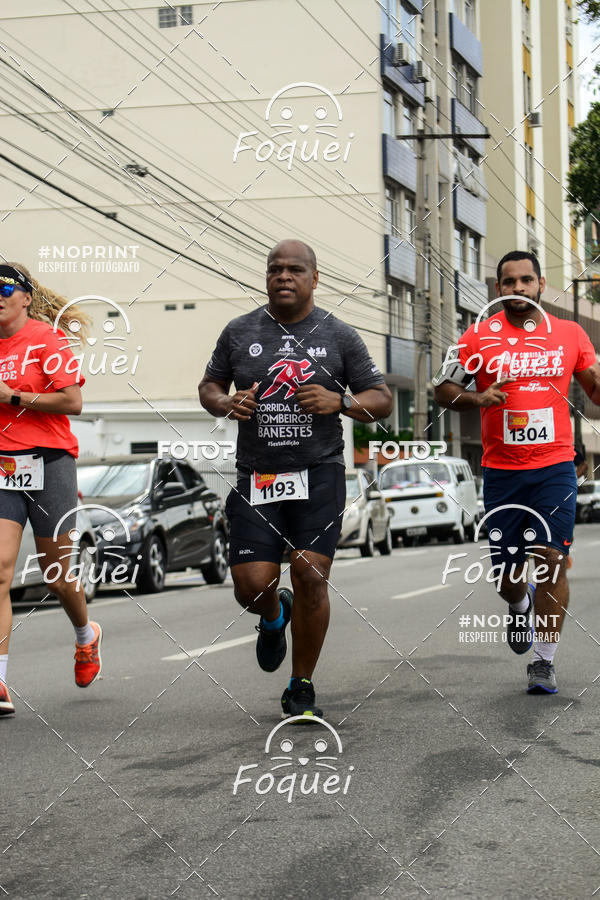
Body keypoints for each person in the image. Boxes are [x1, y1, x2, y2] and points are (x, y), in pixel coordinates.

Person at [199, 239, 392, 718]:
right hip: (257, 474)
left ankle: (301, 686)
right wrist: (225, 403)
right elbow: (209, 386)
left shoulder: (339, 335)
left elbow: (382, 397)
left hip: (319, 471)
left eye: (294, 270)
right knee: (251, 585)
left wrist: (342, 403)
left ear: (314, 278)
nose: (283, 277)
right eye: (275, 270)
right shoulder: (239, 332)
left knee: (311, 574)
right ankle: (271, 614)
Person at [434, 250, 600, 694]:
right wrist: (477, 398)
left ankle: (543, 662)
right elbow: (443, 390)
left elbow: (596, 389)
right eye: (510, 282)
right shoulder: (477, 337)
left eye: (527, 280)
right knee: (508, 578)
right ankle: (519, 602)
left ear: (541, 285)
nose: (519, 289)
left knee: (552, 560)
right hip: (502, 471)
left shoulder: (568, 333)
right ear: (498, 289)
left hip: (555, 468)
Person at [0, 263, 102, 717]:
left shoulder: (45, 338)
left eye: (4, 287)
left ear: (24, 297)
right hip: (2, 466)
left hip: (49, 461)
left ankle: (86, 635)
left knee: (57, 576)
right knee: (0, 572)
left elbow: (73, 402)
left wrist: (13, 397)